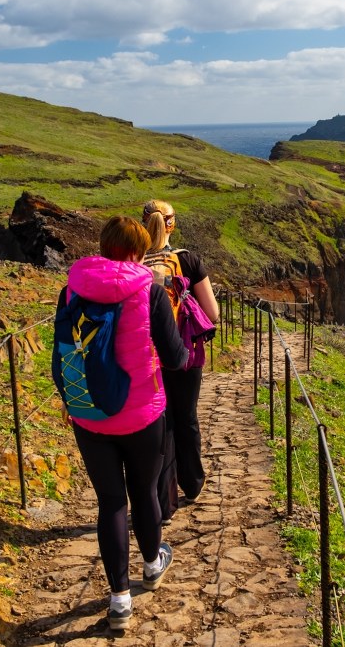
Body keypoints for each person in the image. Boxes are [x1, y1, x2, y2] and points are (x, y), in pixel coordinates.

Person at [61, 215, 188, 631]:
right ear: (138, 250)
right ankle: (152, 565)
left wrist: (71, 399)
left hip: (90, 413)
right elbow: (174, 357)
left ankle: (119, 600)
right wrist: (185, 357)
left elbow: (64, 350)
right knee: (144, 490)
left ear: (103, 245)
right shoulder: (149, 290)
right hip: (141, 413)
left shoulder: (72, 289)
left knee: (111, 502)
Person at [141, 200, 221, 525]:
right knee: (186, 416)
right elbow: (212, 313)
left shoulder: (133, 264)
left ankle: (164, 496)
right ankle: (193, 483)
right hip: (186, 354)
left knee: (163, 422)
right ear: (172, 224)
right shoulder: (187, 259)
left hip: (148, 357)